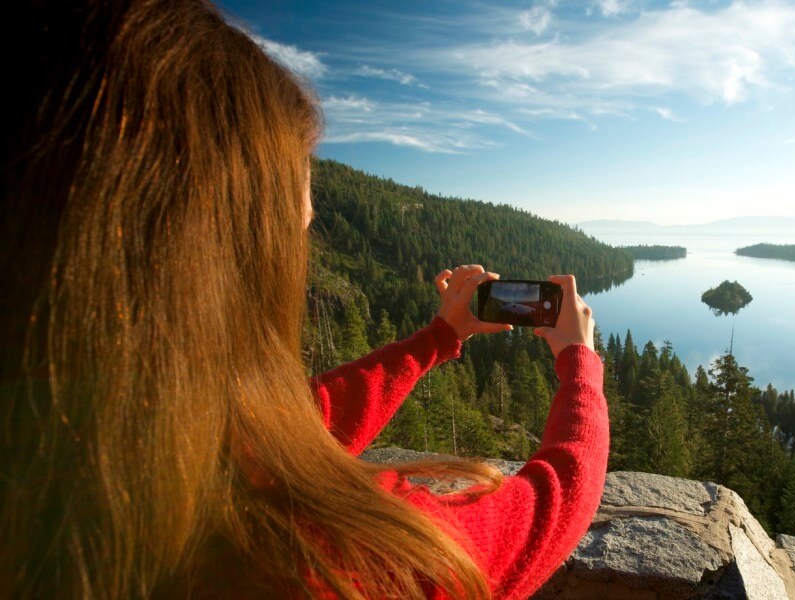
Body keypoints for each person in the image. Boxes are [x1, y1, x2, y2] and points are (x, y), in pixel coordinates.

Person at [1, 1, 608, 598]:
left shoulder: (74, 457)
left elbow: (285, 430)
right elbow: (546, 508)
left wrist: (437, 339)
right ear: (211, 252)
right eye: (296, 228)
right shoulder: (316, 560)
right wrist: (578, 364)